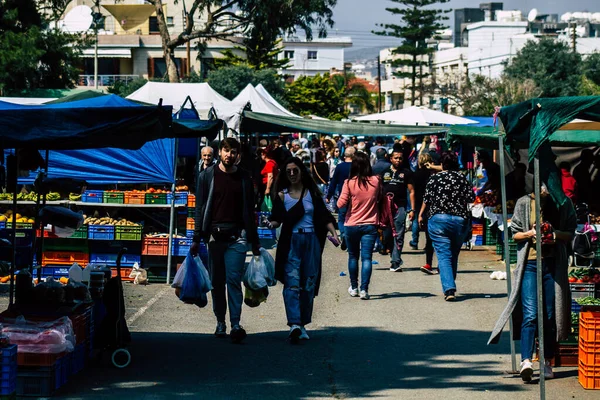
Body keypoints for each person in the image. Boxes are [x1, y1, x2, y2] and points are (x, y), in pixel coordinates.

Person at [488, 184, 576, 382]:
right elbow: (515, 234)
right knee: (530, 313)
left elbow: (570, 232)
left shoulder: (564, 203)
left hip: (553, 265)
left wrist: (553, 234)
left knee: (550, 314)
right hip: (529, 264)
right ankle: (526, 361)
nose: (545, 187)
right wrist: (531, 233)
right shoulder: (524, 203)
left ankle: (546, 361)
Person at [191, 138, 261, 343]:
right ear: (219, 152)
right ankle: (220, 321)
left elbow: (250, 210)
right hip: (214, 238)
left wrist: (254, 241)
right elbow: (199, 209)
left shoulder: (244, 178)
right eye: (226, 150)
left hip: (236, 238)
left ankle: (236, 324)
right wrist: (197, 237)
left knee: (233, 280)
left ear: (238, 155)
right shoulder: (206, 176)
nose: (229, 155)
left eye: (233, 152)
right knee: (217, 283)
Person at [267, 158, 338, 342]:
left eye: (295, 170)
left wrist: (334, 233)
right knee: (292, 283)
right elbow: (277, 219)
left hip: (311, 240)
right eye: (288, 171)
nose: (292, 174)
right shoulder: (282, 196)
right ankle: (295, 324)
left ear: (301, 172)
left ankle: (303, 323)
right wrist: (268, 223)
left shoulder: (312, 194)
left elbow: (324, 216)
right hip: (291, 241)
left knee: (308, 283)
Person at [419, 151, 474, 301]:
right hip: (459, 220)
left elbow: (427, 198)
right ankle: (450, 282)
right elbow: (471, 198)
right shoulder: (462, 178)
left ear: (442, 164)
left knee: (443, 255)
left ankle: (449, 289)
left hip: (438, 220)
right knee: (453, 253)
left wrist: (420, 214)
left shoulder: (434, 178)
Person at [337, 152, 380, 300]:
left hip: (352, 224)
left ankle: (354, 287)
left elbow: (340, 204)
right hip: (370, 224)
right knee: (367, 258)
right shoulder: (375, 181)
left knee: (353, 257)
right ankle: (364, 290)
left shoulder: (349, 183)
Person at [380, 149, 415, 272]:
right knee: (386, 233)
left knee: (399, 234)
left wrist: (412, 210)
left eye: (400, 158)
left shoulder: (406, 173)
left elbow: (411, 192)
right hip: (385, 208)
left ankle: (395, 261)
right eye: (396, 158)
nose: (398, 160)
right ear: (391, 159)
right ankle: (388, 248)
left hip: (400, 207)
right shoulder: (384, 173)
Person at [327, 147, 355, 249]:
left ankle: (343, 234)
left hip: (342, 195)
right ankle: (349, 237)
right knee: (351, 217)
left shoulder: (339, 166)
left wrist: (329, 196)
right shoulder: (355, 166)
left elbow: (333, 182)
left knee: (341, 217)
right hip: (354, 196)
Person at [412, 153, 436, 274]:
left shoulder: (416, 175)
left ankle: (428, 262)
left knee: (428, 235)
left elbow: (413, 190)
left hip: (420, 203)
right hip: (434, 206)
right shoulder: (434, 175)